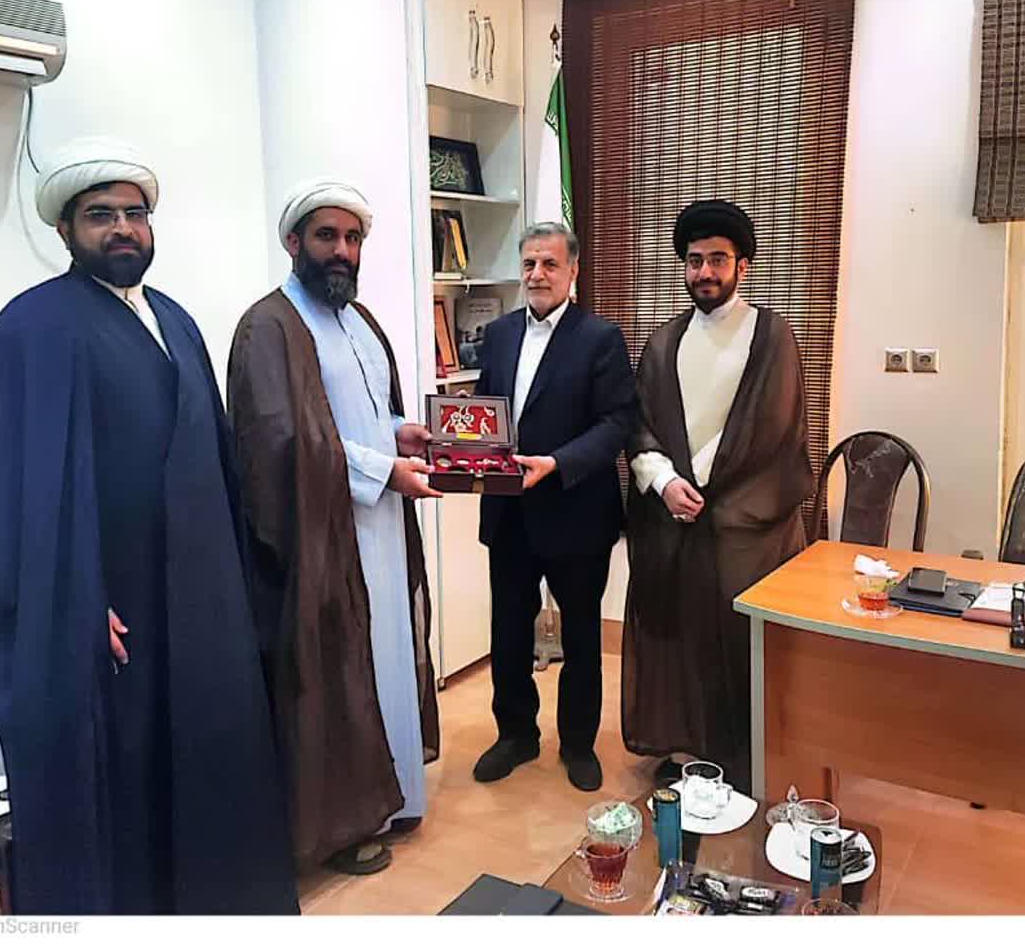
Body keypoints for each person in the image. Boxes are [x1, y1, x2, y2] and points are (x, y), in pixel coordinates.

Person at [0, 138, 298, 914]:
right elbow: (20, 496)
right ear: (64, 230)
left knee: (211, 778)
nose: (122, 228)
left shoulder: (175, 320)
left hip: (199, 604)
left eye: (134, 213)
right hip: (118, 618)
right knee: (132, 801)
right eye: (100, 215)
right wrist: (75, 604)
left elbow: (214, 460)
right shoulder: (33, 328)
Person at [227, 179, 441, 877]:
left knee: (383, 658)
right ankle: (342, 824)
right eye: (327, 236)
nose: (341, 251)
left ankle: (390, 798)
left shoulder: (361, 321)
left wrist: (400, 432)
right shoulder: (268, 326)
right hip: (319, 539)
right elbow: (280, 443)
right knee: (338, 674)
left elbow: (363, 415)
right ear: (294, 242)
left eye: (352, 238)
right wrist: (384, 471)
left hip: (379, 526)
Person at [622, 199, 814, 794]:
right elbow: (639, 427)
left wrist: (707, 493)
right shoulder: (663, 343)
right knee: (680, 636)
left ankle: (746, 755)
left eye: (717, 260)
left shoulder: (771, 337)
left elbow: (773, 432)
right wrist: (665, 483)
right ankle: (689, 747)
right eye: (694, 260)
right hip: (677, 517)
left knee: (739, 640)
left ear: (742, 265)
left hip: (745, 524)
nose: (705, 272)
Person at [470, 221, 637, 792]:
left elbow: (617, 422)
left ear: (573, 271)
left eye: (549, 264)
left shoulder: (601, 338)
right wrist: (459, 450)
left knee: (582, 635)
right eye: (529, 264)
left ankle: (578, 744)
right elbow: (486, 413)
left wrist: (558, 463)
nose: (537, 275)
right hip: (509, 512)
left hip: (576, 510)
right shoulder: (498, 334)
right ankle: (515, 734)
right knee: (509, 632)